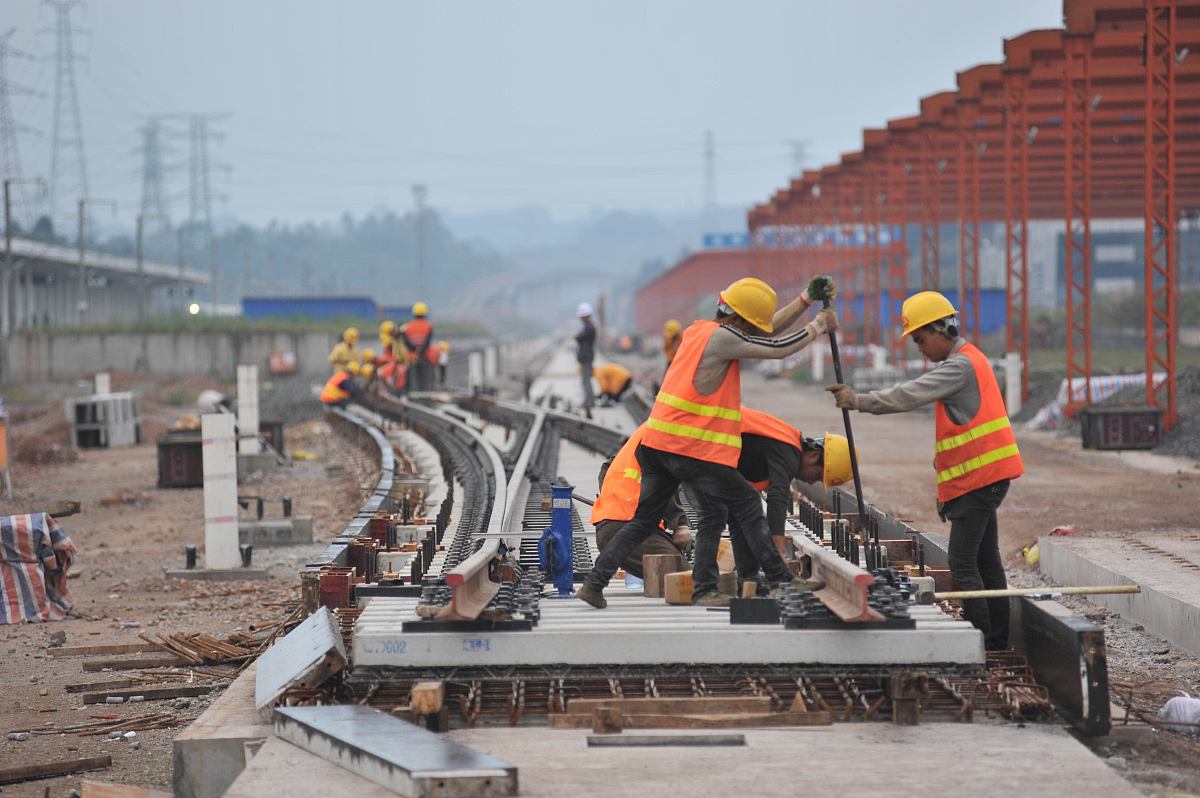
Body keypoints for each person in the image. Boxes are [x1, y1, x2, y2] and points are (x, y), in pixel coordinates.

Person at [577, 275, 838, 609]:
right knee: (744, 501)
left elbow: (767, 331)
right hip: (686, 446)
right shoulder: (722, 338)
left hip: (655, 444)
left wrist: (805, 300)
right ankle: (776, 580)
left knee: (647, 520)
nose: (753, 331)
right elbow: (775, 348)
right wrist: (818, 326)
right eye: (749, 325)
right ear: (737, 319)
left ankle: (594, 584)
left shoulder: (699, 332)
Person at [825, 290, 1023, 651]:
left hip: (977, 482)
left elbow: (909, 394)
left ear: (942, 328)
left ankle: (979, 641)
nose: (920, 348)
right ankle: (995, 640)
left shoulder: (959, 366)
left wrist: (859, 401)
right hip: (986, 479)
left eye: (920, 339)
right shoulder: (972, 359)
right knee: (986, 561)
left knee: (964, 563)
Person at [721, 407, 850, 588]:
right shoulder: (788, 452)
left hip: (711, 449)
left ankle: (749, 578)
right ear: (813, 456)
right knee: (734, 511)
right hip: (705, 445)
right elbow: (778, 496)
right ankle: (774, 577)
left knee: (740, 510)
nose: (812, 483)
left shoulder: (788, 443)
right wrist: (778, 548)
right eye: (818, 476)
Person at [591, 425, 693, 579]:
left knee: (677, 576)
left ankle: (593, 588)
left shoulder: (648, 431)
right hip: (630, 529)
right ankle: (593, 588)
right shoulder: (663, 432)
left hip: (612, 529)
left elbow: (607, 468)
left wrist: (616, 501)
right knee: (686, 579)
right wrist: (680, 525)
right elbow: (662, 482)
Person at [404, 302, 434, 391]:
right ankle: (427, 396)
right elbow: (428, 342)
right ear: (425, 313)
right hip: (425, 357)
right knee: (426, 379)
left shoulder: (408, 326)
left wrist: (415, 350)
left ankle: (413, 397)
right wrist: (421, 350)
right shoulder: (428, 326)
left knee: (413, 380)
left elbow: (407, 343)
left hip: (412, 358)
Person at [574, 302, 597, 410]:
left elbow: (579, 337)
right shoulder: (588, 327)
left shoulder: (589, 328)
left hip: (586, 358)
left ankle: (589, 402)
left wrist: (577, 337)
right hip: (586, 357)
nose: (581, 318)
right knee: (585, 380)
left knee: (586, 380)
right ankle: (588, 400)